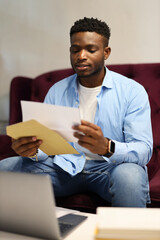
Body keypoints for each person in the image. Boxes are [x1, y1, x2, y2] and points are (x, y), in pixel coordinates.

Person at [0, 17, 153, 207]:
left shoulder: (132, 91)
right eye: (75, 49)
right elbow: (47, 147)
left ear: (106, 52)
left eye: (90, 49)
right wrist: (32, 150)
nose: (81, 55)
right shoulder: (57, 90)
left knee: (130, 175)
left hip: (110, 169)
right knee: (6, 167)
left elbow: (144, 149)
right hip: (63, 168)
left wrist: (107, 147)